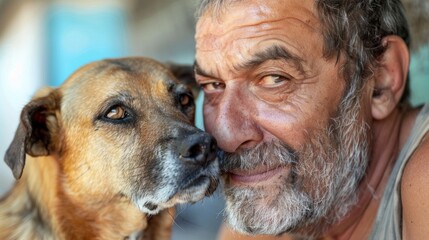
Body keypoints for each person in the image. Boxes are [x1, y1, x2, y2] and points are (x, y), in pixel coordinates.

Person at [193, 0, 429, 239]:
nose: (223, 135)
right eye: (213, 86)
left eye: (274, 78)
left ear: (381, 78)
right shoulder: (256, 228)